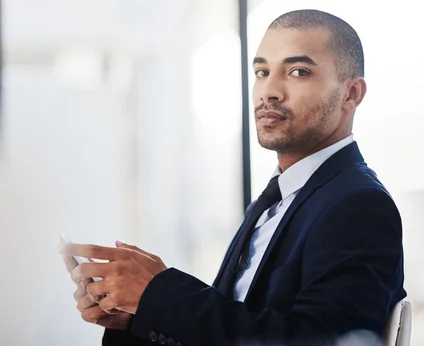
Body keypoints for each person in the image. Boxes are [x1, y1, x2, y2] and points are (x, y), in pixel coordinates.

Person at [60, 9, 406, 346]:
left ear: (351, 94)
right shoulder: (276, 201)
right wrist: (136, 313)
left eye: (298, 72)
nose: (269, 91)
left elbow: (321, 340)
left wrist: (158, 292)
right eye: (261, 71)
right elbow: (233, 329)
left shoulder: (357, 205)